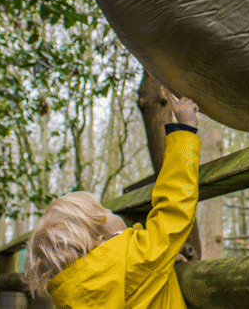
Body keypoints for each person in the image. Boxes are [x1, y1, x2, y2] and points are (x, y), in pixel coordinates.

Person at [24, 92, 201, 309]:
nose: (111, 210)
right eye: (104, 211)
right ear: (100, 240)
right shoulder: (134, 258)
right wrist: (184, 131)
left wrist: (163, 260)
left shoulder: (72, 298)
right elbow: (175, 206)